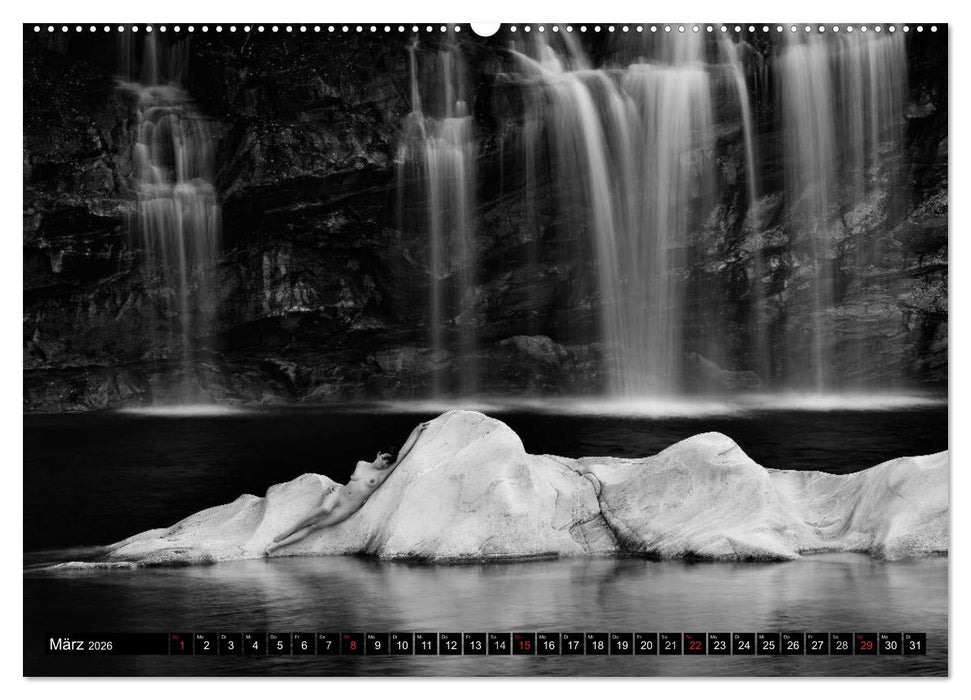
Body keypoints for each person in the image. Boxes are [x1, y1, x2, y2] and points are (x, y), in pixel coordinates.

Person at [265, 422, 428, 554]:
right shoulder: (361, 464)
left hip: (347, 508)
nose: (384, 463)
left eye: (388, 462)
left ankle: (275, 547)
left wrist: (416, 430)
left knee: (313, 527)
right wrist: (336, 487)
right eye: (384, 458)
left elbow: (402, 454)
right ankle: (289, 530)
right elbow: (350, 483)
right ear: (379, 454)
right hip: (339, 494)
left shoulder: (381, 475)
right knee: (325, 509)